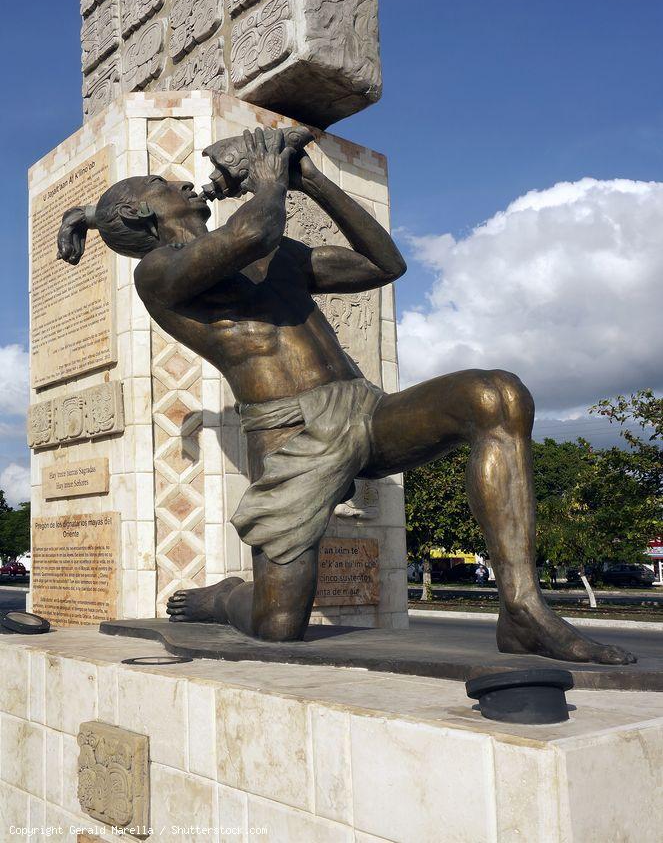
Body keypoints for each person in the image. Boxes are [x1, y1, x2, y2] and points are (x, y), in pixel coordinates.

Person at [57, 128, 635, 665]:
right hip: (288, 434)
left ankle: (522, 608)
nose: (184, 182)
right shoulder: (159, 273)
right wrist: (267, 176)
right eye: (162, 185)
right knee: (278, 625)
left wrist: (311, 179)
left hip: (366, 409)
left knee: (496, 395)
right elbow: (252, 228)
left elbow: (384, 264)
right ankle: (227, 595)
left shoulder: (273, 256)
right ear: (139, 213)